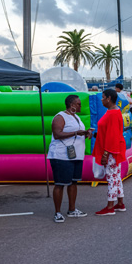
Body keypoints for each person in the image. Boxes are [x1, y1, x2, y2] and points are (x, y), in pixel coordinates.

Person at [48, 94, 91, 222]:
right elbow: (57, 134)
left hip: (75, 155)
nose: (80, 106)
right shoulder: (60, 116)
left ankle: (72, 210)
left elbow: (77, 133)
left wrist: (87, 133)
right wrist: (77, 133)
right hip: (61, 155)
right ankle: (57, 213)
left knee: (73, 182)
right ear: (72, 105)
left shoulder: (76, 117)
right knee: (60, 184)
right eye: (78, 104)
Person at [93, 89, 128, 215]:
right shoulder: (113, 111)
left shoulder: (112, 113)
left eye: (103, 97)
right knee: (116, 177)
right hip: (113, 149)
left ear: (108, 98)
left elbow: (112, 136)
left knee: (112, 177)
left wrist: (106, 154)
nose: (101, 100)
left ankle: (110, 207)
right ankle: (120, 203)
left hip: (111, 151)